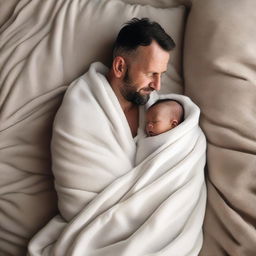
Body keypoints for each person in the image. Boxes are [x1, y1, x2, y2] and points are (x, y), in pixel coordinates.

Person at [106, 17, 176, 137]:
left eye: (161, 74)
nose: (157, 86)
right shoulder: (84, 109)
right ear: (119, 67)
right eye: (150, 74)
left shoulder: (163, 111)